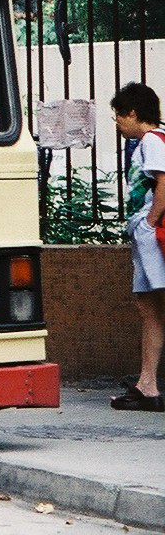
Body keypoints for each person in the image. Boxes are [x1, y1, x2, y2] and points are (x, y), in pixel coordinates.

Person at [112, 82, 165, 411]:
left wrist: (149, 222)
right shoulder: (152, 141)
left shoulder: (152, 140)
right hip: (147, 231)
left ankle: (148, 384)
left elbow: (164, 183)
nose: (118, 123)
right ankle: (147, 384)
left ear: (133, 113)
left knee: (157, 304)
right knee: (149, 307)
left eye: (119, 116)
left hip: (152, 231)